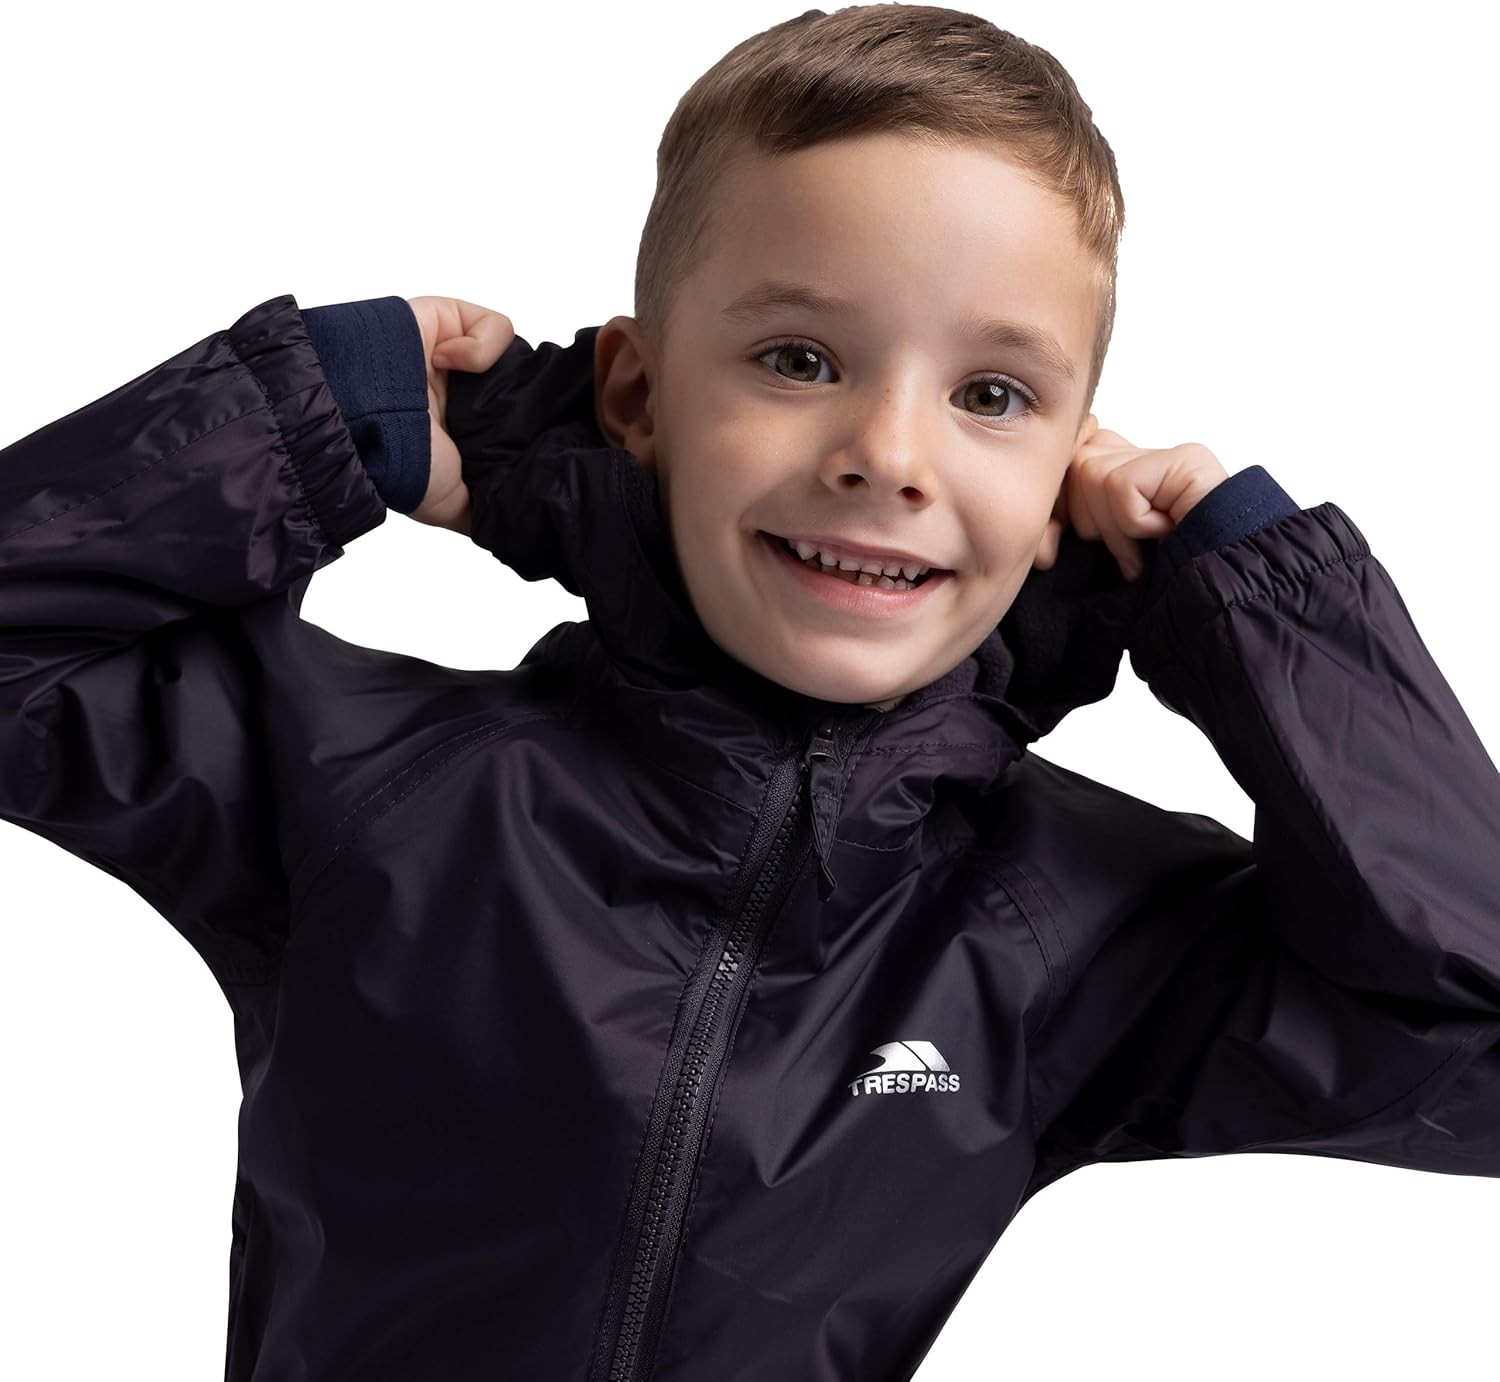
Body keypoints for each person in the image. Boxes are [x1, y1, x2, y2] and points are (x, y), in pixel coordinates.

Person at [2, 7, 1496, 1380]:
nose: (889, 454)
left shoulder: (1060, 929)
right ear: (639, 396)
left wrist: (1251, 597)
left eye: (991, 396)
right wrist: (321, 419)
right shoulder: (368, 784)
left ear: (1065, 476)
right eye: (798, 358)